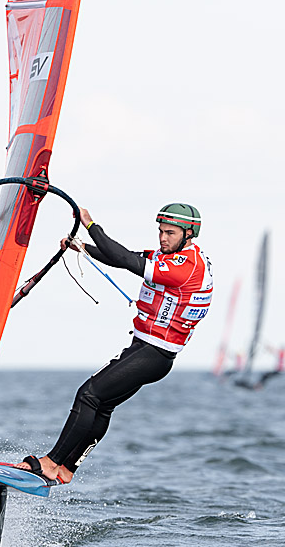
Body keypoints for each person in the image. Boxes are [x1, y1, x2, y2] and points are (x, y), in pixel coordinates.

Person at [15, 203, 214, 484]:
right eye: (160, 231)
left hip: (154, 353)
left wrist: (89, 224)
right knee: (103, 405)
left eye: (170, 233)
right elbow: (122, 258)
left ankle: (51, 462)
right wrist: (83, 248)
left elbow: (125, 259)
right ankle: (67, 468)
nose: (162, 238)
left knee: (88, 395)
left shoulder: (187, 266)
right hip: (145, 349)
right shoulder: (172, 256)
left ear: (189, 233)